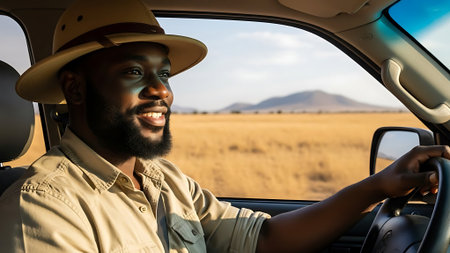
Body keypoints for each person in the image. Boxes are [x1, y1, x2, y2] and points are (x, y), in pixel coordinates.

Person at [0, 0, 448, 252]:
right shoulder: (44, 206)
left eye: (165, 74)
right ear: (76, 90)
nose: (162, 92)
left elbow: (264, 237)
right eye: (134, 73)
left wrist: (377, 187)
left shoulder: (163, 180)